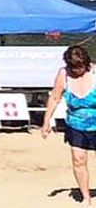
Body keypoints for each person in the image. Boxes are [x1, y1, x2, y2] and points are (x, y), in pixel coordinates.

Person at [43, 43, 96, 202]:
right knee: (78, 159)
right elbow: (54, 97)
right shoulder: (63, 74)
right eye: (73, 68)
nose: (76, 71)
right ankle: (86, 197)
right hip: (76, 125)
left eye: (79, 68)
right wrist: (46, 122)